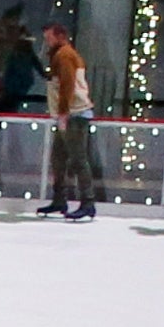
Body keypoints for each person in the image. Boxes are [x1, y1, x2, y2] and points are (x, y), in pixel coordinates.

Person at [40, 18, 100, 218]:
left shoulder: (64, 56)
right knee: (59, 158)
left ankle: (88, 202)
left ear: (60, 36)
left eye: (49, 37)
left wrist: (63, 113)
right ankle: (60, 200)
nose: (47, 42)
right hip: (69, 113)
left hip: (74, 114)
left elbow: (67, 84)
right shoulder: (61, 54)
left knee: (77, 159)